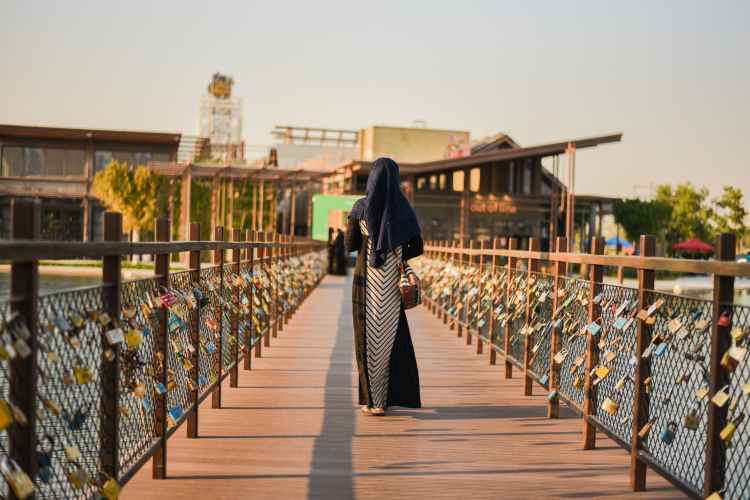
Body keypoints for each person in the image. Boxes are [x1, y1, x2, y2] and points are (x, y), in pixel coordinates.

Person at [345, 157, 423, 416]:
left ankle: (372, 401)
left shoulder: (360, 208)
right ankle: (383, 401)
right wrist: (397, 250)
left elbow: (349, 245)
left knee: (367, 340)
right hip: (391, 287)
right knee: (388, 340)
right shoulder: (404, 210)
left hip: (366, 284)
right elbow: (418, 246)